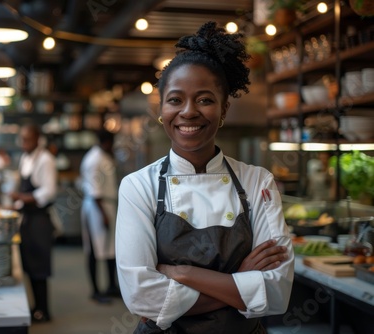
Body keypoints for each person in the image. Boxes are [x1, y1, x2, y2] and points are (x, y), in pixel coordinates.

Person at [115, 22, 294, 333]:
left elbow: (277, 292)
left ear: (224, 109)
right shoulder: (137, 186)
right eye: (175, 100)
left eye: (205, 99)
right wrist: (239, 280)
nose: (188, 112)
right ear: (162, 109)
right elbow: (142, 298)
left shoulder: (257, 181)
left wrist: (182, 274)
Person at [10, 123, 57, 323]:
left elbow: (49, 191)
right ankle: (35, 307)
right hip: (27, 219)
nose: (23, 143)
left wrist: (22, 197)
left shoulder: (46, 159)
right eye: (22, 139)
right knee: (29, 264)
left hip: (39, 220)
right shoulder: (25, 158)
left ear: (37, 139)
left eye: (27, 139)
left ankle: (43, 310)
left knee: (39, 266)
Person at [80, 129, 120, 303]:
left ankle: (111, 286)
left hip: (107, 205)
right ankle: (95, 291)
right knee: (94, 250)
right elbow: (94, 191)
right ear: (107, 142)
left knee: (111, 249)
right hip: (97, 207)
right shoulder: (94, 160)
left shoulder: (104, 156)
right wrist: (103, 214)